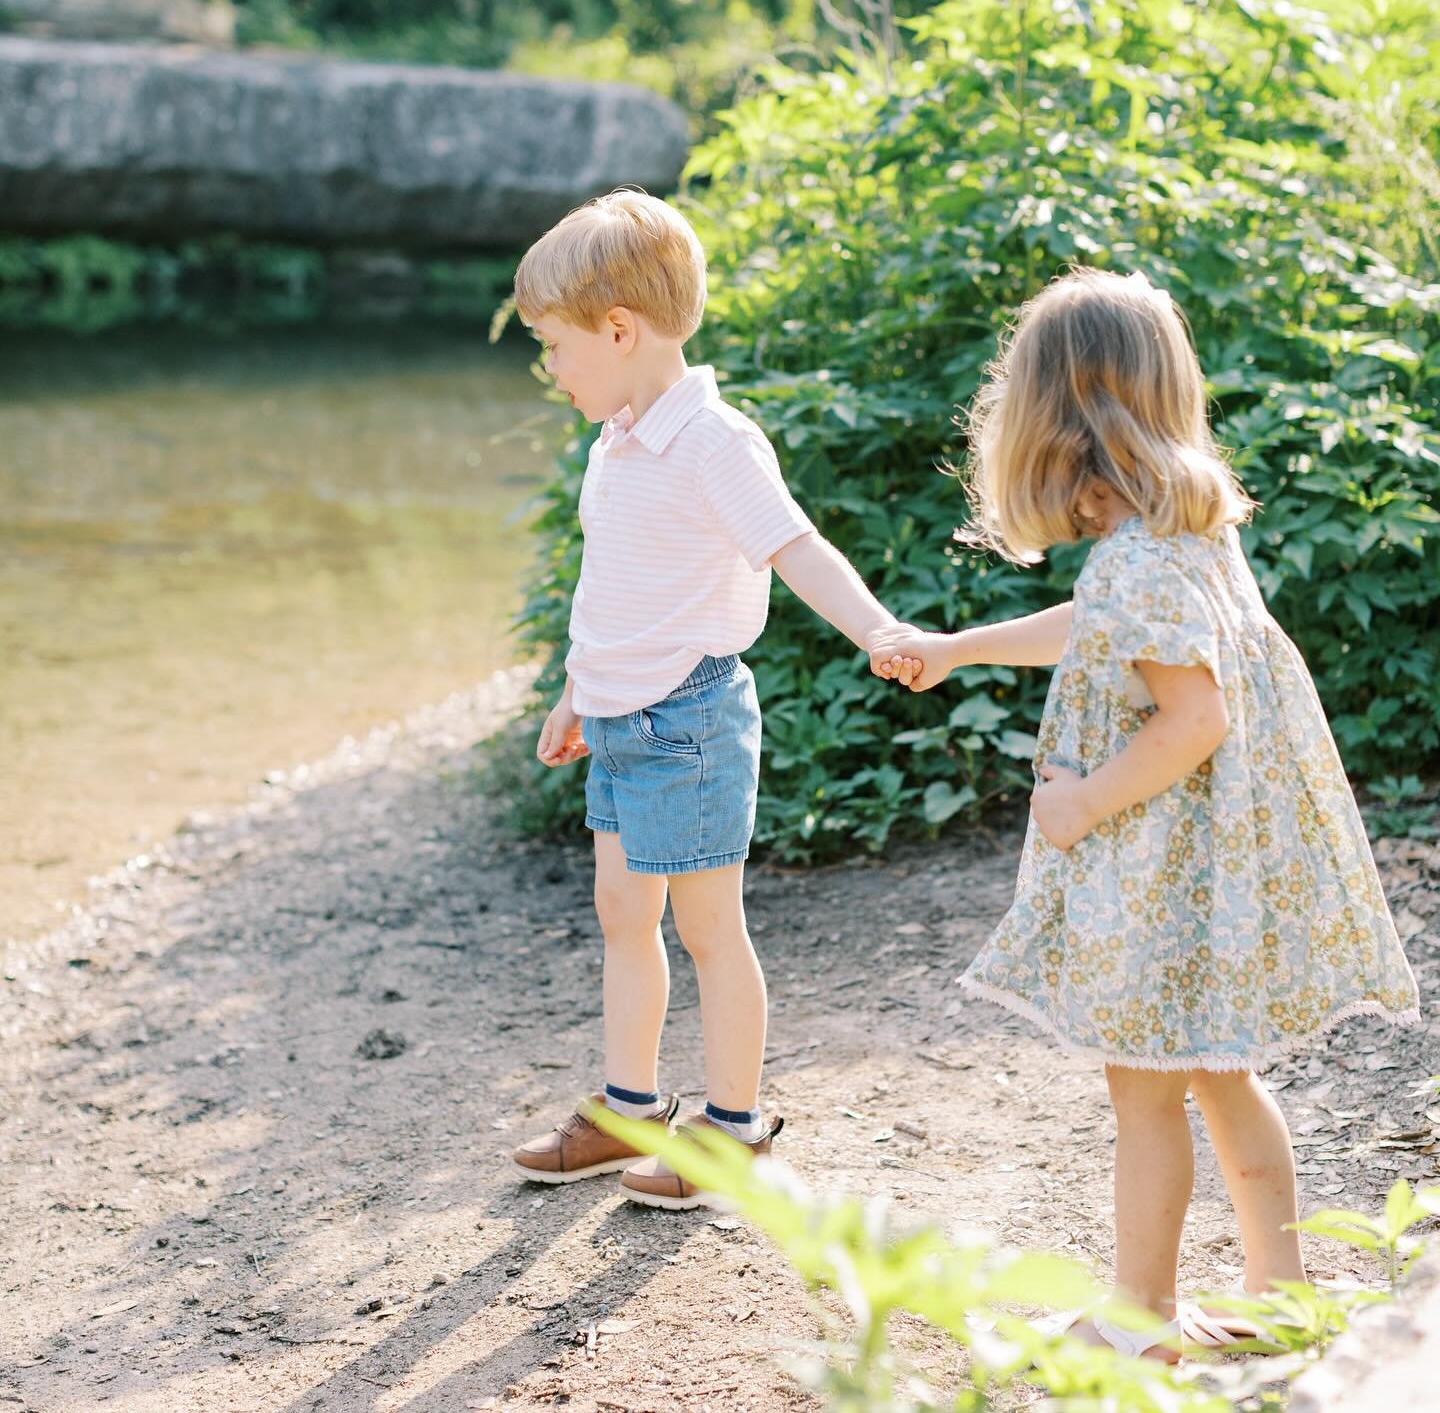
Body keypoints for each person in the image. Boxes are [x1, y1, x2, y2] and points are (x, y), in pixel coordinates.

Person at [872, 266, 1419, 1356]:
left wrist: (1077, 804)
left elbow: (1194, 719)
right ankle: (1282, 1294)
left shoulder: (1143, 561)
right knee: (1223, 1074)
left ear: (1054, 419)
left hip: (1171, 878)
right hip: (1213, 875)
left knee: (1148, 1098)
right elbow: (1095, 625)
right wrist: (958, 647)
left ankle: (1142, 1318)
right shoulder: (1183, 537)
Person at [509, 188, 917, 1209]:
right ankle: (631, 1108)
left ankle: (732, 1129)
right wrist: (573, 691)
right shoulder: (621, 437)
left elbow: (793, 547)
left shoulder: (712, 442)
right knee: (620, 912)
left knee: (708, 929)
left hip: (687, 719)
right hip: (617, 715)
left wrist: (877, 629)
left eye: (554, 346)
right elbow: (614, 590)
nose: (548, 368)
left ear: (619, 329)